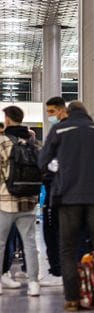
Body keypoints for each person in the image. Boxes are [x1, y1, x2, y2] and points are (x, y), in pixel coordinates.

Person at [38, 101, 94, 313]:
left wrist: (57, 174)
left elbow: (43, 161)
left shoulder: (60, 129)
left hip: (68, 198)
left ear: (67, 112)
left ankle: (72, 299)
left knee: (68, 248)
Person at [0, 106, 40, 297]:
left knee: (0, 243)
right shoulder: (34, 143)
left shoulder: (2, 141)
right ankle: (33, 284)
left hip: (5, 200)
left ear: (7, 119)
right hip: (29, 200)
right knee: (30, 243)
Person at [38, 96, 69, 287]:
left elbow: (45, 160)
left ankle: (58, 271)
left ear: (60, 110)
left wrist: (46, 171)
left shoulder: (60, 130)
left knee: (52, 230)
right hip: (72, 191)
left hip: (57, 189)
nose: (49, 115)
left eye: (51, 111)